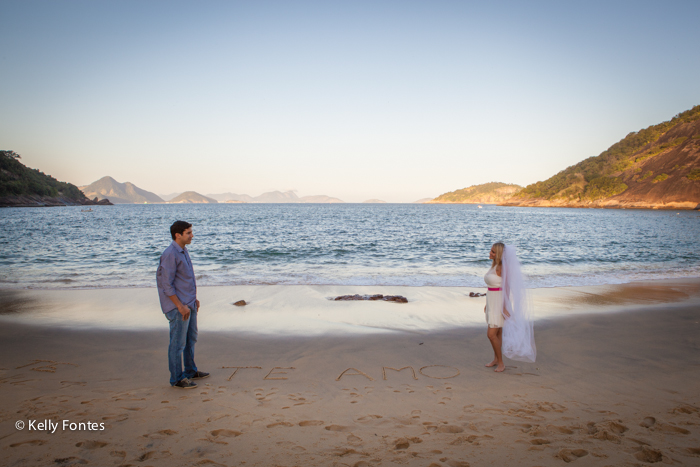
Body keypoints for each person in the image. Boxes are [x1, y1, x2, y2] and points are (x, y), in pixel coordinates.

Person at [157, 220, 209, 388]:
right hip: (179, 306)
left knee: (191, 338)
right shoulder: (170, 254)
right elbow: (167, 285)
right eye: (188, 233)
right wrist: (179, 306)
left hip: (189, 303)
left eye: (191, 232)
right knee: (178, 343)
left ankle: (190, 370)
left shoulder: (183, 251)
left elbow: (184, 280)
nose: (192, 235)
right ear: (178, 235)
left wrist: (194, 299)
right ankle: (177, 379)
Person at [483, 242, 537, 372]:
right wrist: (487, 303)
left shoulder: (501, 268)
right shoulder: (494, 265)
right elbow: (493, 287)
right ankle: (496, 359)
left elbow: (506, 288)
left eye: (493, 252)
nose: (490, 253)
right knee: (498, 333)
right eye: (491, 250)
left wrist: (504, 307)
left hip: (499, 303)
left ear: (499, 254)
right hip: (492, 300)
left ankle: (501, 363)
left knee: (491, 335)